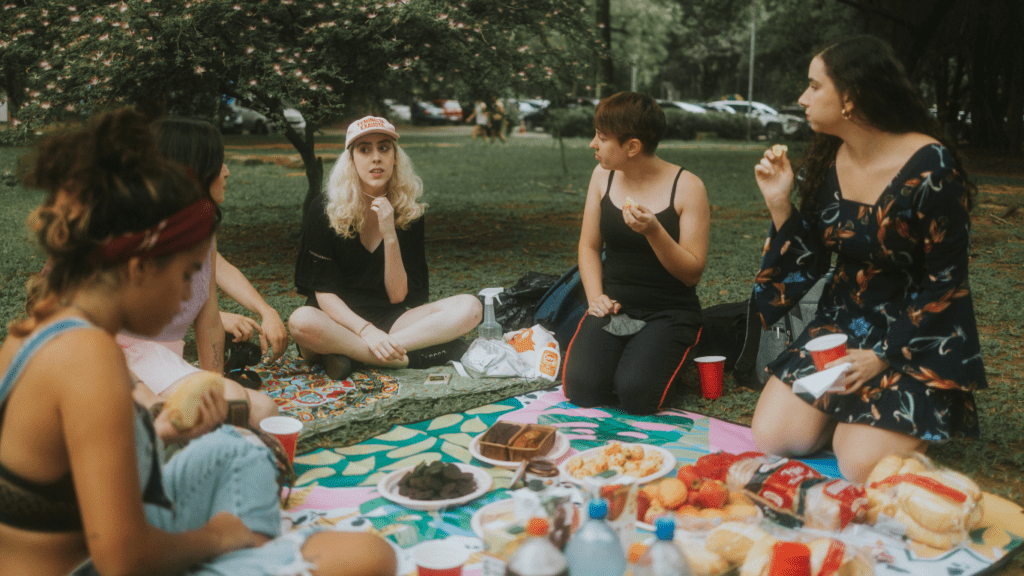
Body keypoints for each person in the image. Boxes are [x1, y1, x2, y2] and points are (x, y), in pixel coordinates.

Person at [0, 109, 397, 576]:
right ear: (140, 267)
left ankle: (257, 546)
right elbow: (124, 560)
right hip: (95, 565)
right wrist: (222, 534)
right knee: (366, 558)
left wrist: (163, 431)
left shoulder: (50, 330)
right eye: (188, 274)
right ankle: (255, 547)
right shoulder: (90, 358)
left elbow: (71, 469)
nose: (191, 295)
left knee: (240, 445)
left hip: (102, 529)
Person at [750, 35, 986, 483]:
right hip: (841, 326)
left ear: (850, 98)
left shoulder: (932, 167)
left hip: (915, 334)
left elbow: (945, 282)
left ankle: (903, 420)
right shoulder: (827, 155)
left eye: (814, 86)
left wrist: (883, 357)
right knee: (776, 438)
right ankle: (855, 416)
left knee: (859, 462)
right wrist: (780, 203)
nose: (802, 98)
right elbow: (812, 258)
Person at [288, 116, 481, 379]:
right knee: (300, 321)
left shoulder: (409, 211)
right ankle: (399, 358)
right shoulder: (324, 209)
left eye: (384, 148)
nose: (375, 157)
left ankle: (359, 357)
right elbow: (324, 295)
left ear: (395, 158)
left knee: (470, 307)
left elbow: (398, 296)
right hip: (335, 320)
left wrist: (390, 234)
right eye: (364, 149)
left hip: (390, 319)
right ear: (351, 160)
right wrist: (366, 331)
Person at [116, 117, 279, 427]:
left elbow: (209, 322)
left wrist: (215, 387)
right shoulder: (128, 232)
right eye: (219, 162)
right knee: (251, 413)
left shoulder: (204, 233)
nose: (227, 171)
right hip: (114, 366)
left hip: (164, 365)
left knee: (260, 412)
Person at [561, 92, 710, 415]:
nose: (592, 144)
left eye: (601, 138)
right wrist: (596, 297)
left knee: (637, 395)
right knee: (582, 388)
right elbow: (588, 246)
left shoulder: (688, 187)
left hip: (668, 312)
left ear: (632, 147)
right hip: (617, 309)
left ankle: (663, 352)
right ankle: (635, 354)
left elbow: (692, 272)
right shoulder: (603, 176)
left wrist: (654, 232)